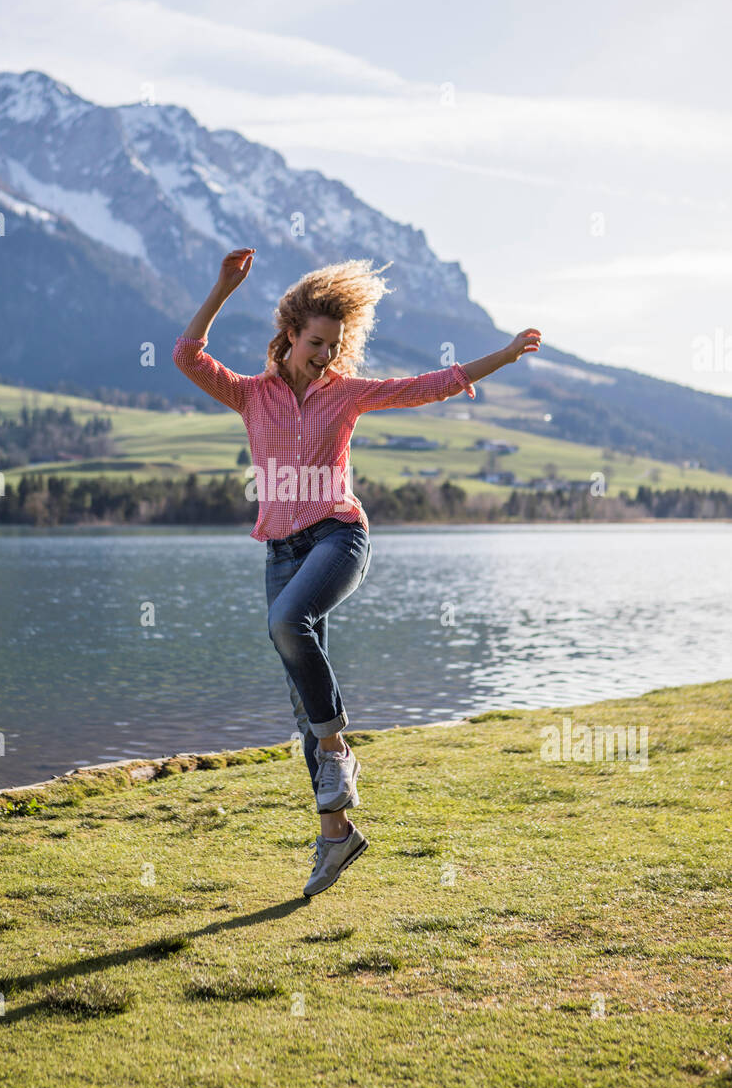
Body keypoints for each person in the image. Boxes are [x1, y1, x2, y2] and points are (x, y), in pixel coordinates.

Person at [173, 248, 541, 897]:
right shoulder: (251, 396)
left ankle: (340, 751)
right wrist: (223, 288)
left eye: (334, 345)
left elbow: (428, 386)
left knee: (289, 621)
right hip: (280, 551)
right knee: (300, 699)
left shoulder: (345, 394)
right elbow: (187, 355)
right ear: (290, 335)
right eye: (316, 343)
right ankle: (337, 835)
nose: (324, 355)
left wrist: (504, 356)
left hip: (339, 537)